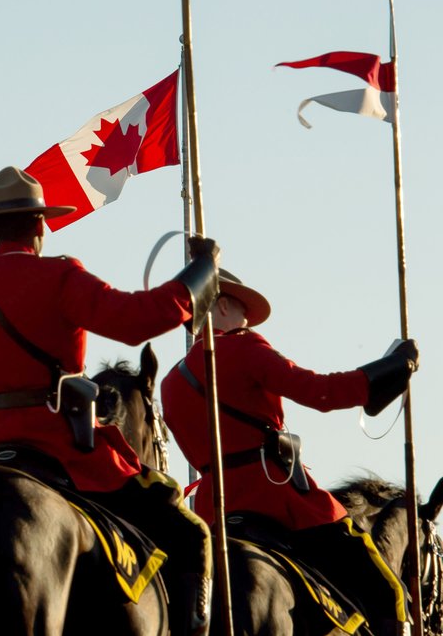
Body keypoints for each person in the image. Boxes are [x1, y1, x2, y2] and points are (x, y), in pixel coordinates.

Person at [0, 166, 220, 636]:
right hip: (64, 449)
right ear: (40, 225)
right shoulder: (60, 275)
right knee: (190, 534)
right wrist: (198, 276)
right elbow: (135, 321)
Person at [160, 270, 417, 636]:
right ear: (222, 304)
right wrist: (386, 372)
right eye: (243, 312)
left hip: (214, 510)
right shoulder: (245, 347)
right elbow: (319, 391)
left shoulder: (171, 383)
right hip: (278, 500)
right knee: (386, 589)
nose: (246, 322)